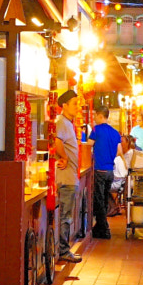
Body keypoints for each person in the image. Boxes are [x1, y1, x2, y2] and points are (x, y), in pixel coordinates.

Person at [51, 89, 83, 264]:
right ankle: (63, 250)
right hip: (66, 178)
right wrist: (63, 157)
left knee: (67, 215)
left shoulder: (68, 123)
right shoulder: (61, 122)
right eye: (75, 103)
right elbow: (56, 141)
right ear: (65, 106)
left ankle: (64, 249)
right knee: (66, 216)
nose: (78, 107)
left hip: (70, 176)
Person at [87, 105, 123, 239]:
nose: (94, 118)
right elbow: (119, 151)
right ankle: (101, 227)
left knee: (99, 200)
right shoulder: (115, 132)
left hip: (99, 170)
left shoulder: (96, 130)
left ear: (100, 116)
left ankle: (104, 229)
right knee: (103, 199)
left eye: (96, 115)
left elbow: (88, 146)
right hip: (110, 172)